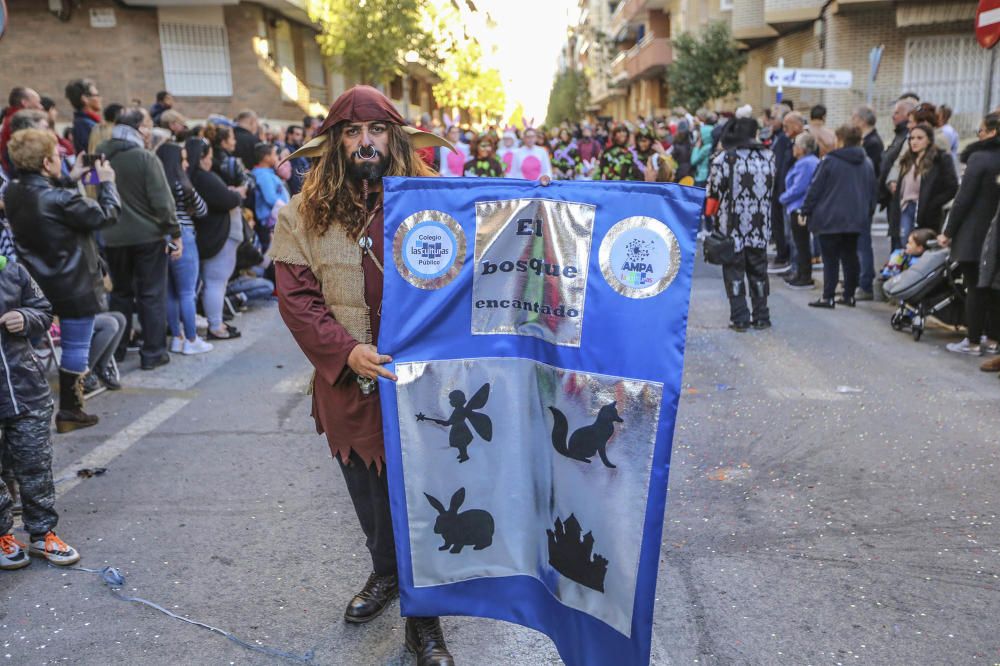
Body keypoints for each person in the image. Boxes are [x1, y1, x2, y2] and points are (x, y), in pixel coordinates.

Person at [268, 85, 457, 666]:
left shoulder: (438, 200)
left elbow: (501, 241)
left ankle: (423, 621)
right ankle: (385, 575)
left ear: (395, 139)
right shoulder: (299, 212)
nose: (364, 141)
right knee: (371, 498)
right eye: (352, 132)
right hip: (349, 384)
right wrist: (346, 352)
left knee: (424, 503)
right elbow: (296, 299)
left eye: (375, 130)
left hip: (425, 384)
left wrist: (537, 202)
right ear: (335, 143)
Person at [4, 128, 120, 431]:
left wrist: (71, 178)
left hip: (36, 282)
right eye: (57, 156)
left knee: (24, 347)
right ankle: (70, 410)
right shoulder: (60, 198)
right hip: (74, 280)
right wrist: (106, 183)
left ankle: (22, 408)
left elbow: (47, 202)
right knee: (76, 346)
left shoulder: (14, 192)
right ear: (45, 163)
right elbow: (106, 215)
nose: (61, 160)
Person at [0, 257, 82, 570]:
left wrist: (25, 316)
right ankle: (2, 536)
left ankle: (42, 533)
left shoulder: (12, 270)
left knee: (35, 464)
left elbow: (44, 310)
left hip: (26, 389)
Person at [94, 107, 180, 369]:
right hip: (148, 237)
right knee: (151, 294)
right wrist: (175, 232)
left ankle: (116, 350)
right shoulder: (145, 158)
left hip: (112, 235)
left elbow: (92, 192)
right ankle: (153, 353)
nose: (149, 131)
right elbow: (162, 202)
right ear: (137, 129)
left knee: (120, 293)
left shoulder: (99, 156)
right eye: (146, 125)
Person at [705, 111, 775, 330]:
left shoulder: (725, 159)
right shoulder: (769, 157)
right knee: (758, 270)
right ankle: (762, 316)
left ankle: (740, 317)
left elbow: (713, 192)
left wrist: (710, 216)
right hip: (760, 224)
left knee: (734, 270)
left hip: (732, 225)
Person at [938, 113, 1000, 356]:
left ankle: (973, 340)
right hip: (996, 233)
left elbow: (963, 199)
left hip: (975, 233)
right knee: (995, 288)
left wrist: (948, 231)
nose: (979, 135)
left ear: (993, 132)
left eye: (981, 131)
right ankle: (994, 338)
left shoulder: (980, 158)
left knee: (974, 286)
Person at [801, 125, 878, 308]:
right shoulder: (866, 162)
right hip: (855, 218)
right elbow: (872, 191)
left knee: (830, 259)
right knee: (850, 256)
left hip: (830, 217)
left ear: (840, 140)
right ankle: (849, 294)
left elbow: (815, 188)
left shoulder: (830, 161)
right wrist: (867, 213)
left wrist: (806, 209)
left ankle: (828, 296)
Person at [156, 142, 212, 356]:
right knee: (187, 292)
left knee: (171, 292)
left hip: (163, 238)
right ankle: (191, 338)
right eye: (184, 159)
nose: (187, 163)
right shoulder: (182, 184)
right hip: (184, 238)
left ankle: (177, 338)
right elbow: (201, 209)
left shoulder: (159, 185)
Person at [186, 137, 244, 341]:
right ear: (201, 158)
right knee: (216, 282)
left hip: (209, 235)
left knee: (210, 282)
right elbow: (228, 199)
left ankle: (214, 322)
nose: (211, 161)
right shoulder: (203, 177)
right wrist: (237, 194)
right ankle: (216, 326)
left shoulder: (192, 176)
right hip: (217, 237)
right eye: (209, 157)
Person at [886, 123, 958, 248]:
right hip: (905, 207)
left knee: (922, 246)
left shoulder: (940, 159)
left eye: (919, 138)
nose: (914, 142)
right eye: (912, 138)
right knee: (906, 245)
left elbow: (952, 186)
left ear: (929, 139)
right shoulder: (908, 159)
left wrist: (934, 203)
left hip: (926, 210)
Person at [779, 131, 821, 289]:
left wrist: (783, 198)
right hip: (797, 206)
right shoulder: (806, 162)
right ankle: (799, 273)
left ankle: (804, 275)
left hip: (799, 206)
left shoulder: (806, 164)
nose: (793, 148)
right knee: (798, 242)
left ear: (802, 148)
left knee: (801, 244)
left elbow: (799, 187)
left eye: (796, 145)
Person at [852, 106, 884, 300]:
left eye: (854, 117)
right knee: (857, 242)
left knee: (863, 242)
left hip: (865, 198)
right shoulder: (867, 141)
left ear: (862, 120)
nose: (851, 120)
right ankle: (858, 279)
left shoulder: (872, 143)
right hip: (861, 197)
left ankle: (865, 283)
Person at [879, 98, 917, 248]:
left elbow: (899, 161)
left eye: (897, 113)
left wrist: (892, 180)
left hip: (904, 195)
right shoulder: (900, 135)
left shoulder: (908, 136)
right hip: (894, 194)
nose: (893, 116)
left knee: (903, 237)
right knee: (897, 235)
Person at [768, 104, 793, 274]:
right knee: (778, 222)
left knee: (783, 224)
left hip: (781, 187)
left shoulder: (784, 139)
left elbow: (780, 165)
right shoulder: (778, 137)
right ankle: (782, 251)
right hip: (777, 186)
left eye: (774, 117)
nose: (771, 121)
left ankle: (784, 255)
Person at [250, 142, 289, 251]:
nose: (277, 157)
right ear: (266, 158)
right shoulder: (263, 176)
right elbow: (271, 198)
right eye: (274, 154)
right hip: (271, 222)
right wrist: (288, 209)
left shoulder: (267, 173)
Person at [0, 87, 43, 173]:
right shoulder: (21, 122)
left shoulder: (8, 119)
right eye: (38, 102)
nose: (41, 107)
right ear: (25, 103)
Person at [64, 79, 102, 155]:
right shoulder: (85, 125)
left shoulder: (87, 122)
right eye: (96, 95)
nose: (100, 98)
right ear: (85, 99)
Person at [284, 125, 308, 195]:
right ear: (289, 135)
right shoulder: (285, 150)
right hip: (294, 189)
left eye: (301, 135)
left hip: (303, 186)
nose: (300, 137)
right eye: (297, 134)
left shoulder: (299, 148)